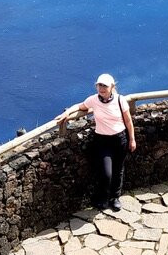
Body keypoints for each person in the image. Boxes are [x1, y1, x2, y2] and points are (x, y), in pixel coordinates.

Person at [56, 73, 136, 211]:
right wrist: (66, 113)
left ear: (112, 87)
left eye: (104, 85)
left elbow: (128, 121)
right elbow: (80, 106)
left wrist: (132, 139)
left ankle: (114, 198)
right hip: (103, 141)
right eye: (99, 85)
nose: (101, 88)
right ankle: (104, 198)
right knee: (106, 173)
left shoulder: (120, 100)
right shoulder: (93, 100)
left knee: (118, 170)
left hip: (120, 139)